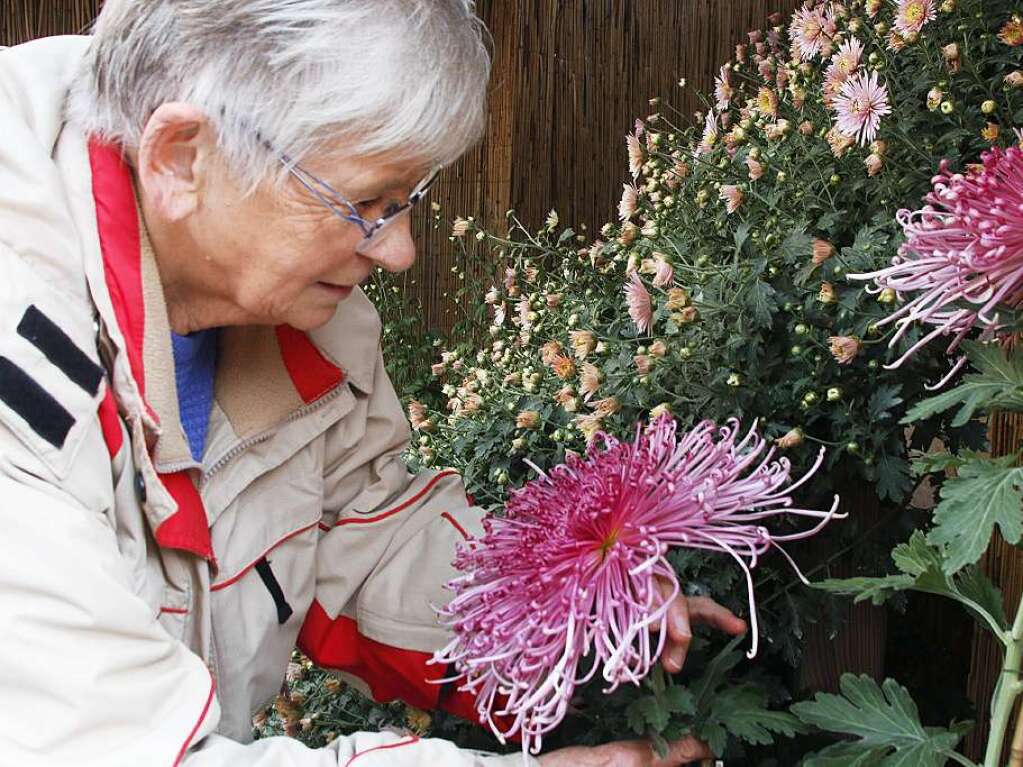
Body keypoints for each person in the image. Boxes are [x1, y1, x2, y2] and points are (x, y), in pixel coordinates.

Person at [0, 2, 746, 765]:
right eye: (362, 204)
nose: (398, 251)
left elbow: (356, 537)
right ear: (181, 157)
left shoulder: (301, 316)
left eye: (405, 202)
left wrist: (573, 609)